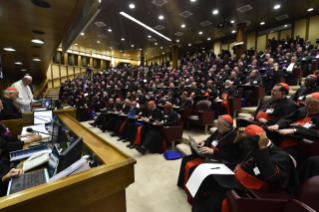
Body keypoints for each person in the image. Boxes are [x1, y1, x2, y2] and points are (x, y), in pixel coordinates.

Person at [192, 125, 299, 212]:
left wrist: (261, 148)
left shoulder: (281, 155)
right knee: (208, 181)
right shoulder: (251, 144)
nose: (247, 146)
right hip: (236, 180)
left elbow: (270, 176)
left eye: (248, 142)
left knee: (215, 200)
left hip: (252, 191)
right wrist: (237, 139)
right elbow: (232, 155)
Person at [177, 115, 246, 203]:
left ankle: (193, 197)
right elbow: (209, 140)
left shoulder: (234, 137)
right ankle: (183, 185)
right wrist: (203, 142)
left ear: (227, 126)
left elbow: (229, 156)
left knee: (194, 168)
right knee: (186, 158)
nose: (217, 127)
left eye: (219, 124)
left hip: (218, 160)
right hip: (208, 153)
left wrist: (213, 152)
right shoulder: (219, 130)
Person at [267, 92, 319, 161]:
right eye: (305, 104)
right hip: (284, 136)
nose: (306, 107)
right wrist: (277, 125)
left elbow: (316, 133)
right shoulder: (302, 110)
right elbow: (287, 119)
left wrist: (294, 130)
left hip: (299, 144)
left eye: (310, 105)